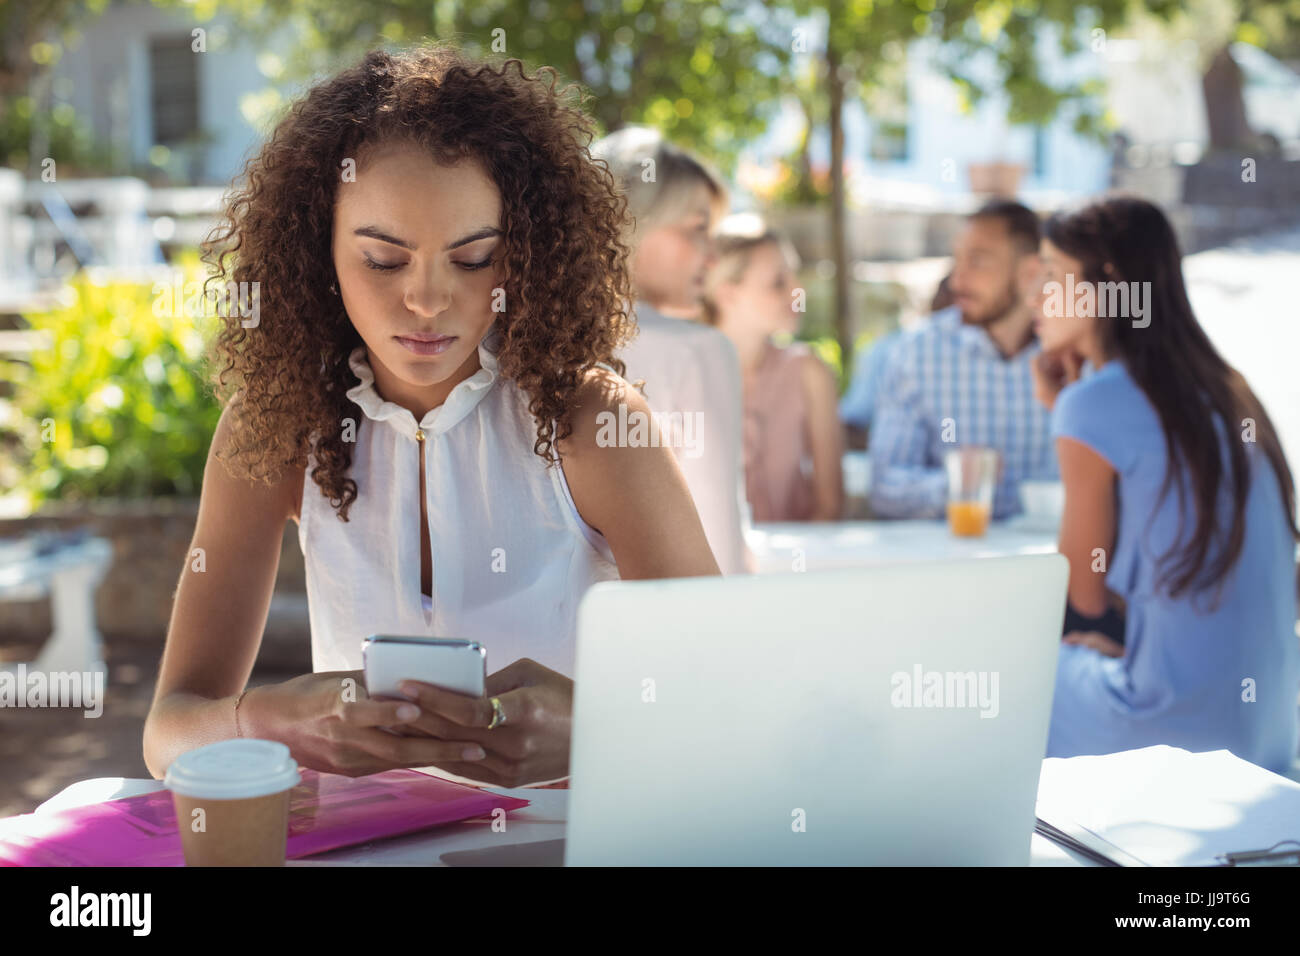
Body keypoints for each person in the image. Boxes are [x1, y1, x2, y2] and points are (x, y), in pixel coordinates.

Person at [142, 46, 720, 791]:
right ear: (316, 251)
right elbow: (168, 731)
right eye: (384, 260)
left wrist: (601, 729)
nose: (427, 300)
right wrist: (264, 719)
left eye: (474, 258)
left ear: (523, 258)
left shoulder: (592, 423)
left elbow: (725, 697)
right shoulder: (274, 425)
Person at [1029, 195, 1299, 773]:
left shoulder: (1090, 406)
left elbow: (1081, 593)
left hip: (1174, 729)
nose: (1036, 297)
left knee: (1012, 678)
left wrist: (1066, 414)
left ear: (1107, 285)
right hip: (1271, 730)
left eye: (1052, 274)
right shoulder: (1229, 390)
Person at [592, 126, 754, 573]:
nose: (712, 256)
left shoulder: (516, 337)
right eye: (697, 229)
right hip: (663, 630)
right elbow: (717, 543)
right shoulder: (699, 350)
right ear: (629, 225)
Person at [868, 200, 1057, 519]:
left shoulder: (1077, 357)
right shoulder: (918, 353)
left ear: (1030, 272)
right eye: (958, 260)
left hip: (1055, 562)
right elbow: (885, 486)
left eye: (978, 261)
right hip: (956, 564)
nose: (957, 280)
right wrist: (959, 485)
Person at [701, 213, 843, 521]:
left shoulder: (809, 372)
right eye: (779, 282)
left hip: (794, 564)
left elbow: (829, 507)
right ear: (727, 293)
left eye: (793, 276)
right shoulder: (688, 376)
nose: (797, 291)